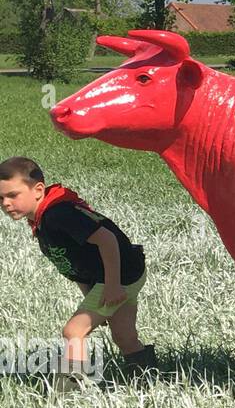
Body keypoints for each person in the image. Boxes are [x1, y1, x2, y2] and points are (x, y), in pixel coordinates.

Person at [0, 156, 155, 389]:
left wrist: (112, 285)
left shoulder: (58, 215)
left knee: (74, 331)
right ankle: (146, 381)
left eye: (13, 195)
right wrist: (91, 294)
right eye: (0, 198)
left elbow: (107, 240)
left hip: (119, 274)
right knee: (124, 335)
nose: (6, 204)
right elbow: (77, 265)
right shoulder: (44, 219)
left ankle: (69, 396)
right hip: (124, 272)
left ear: (38, 190)